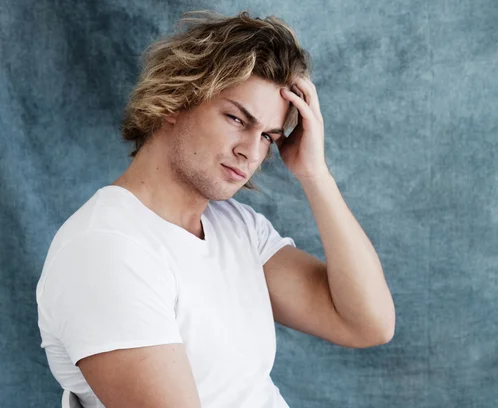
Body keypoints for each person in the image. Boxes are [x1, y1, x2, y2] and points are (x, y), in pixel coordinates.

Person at [36, 10, 395, 408]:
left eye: (268, 136)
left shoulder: (236, 227)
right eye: (237, 119)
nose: (251, 151)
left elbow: (367, 324)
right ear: (176, 100)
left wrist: (316, 174)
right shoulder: (105, 250)